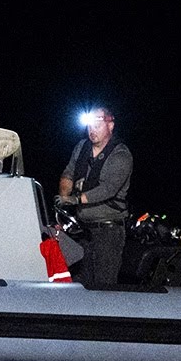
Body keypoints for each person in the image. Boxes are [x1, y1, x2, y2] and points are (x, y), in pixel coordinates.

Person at [56, 105, 133, 287]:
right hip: (83, 230)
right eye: (90, 125)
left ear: (111, 125)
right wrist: (63, 200)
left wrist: (76, 199)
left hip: (108, 231)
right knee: (81, 283)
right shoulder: (81, 147)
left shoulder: (121, 154)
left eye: (98, 124)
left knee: (103, 285)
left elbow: (109, 188)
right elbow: (69, 173)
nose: (92, 130)